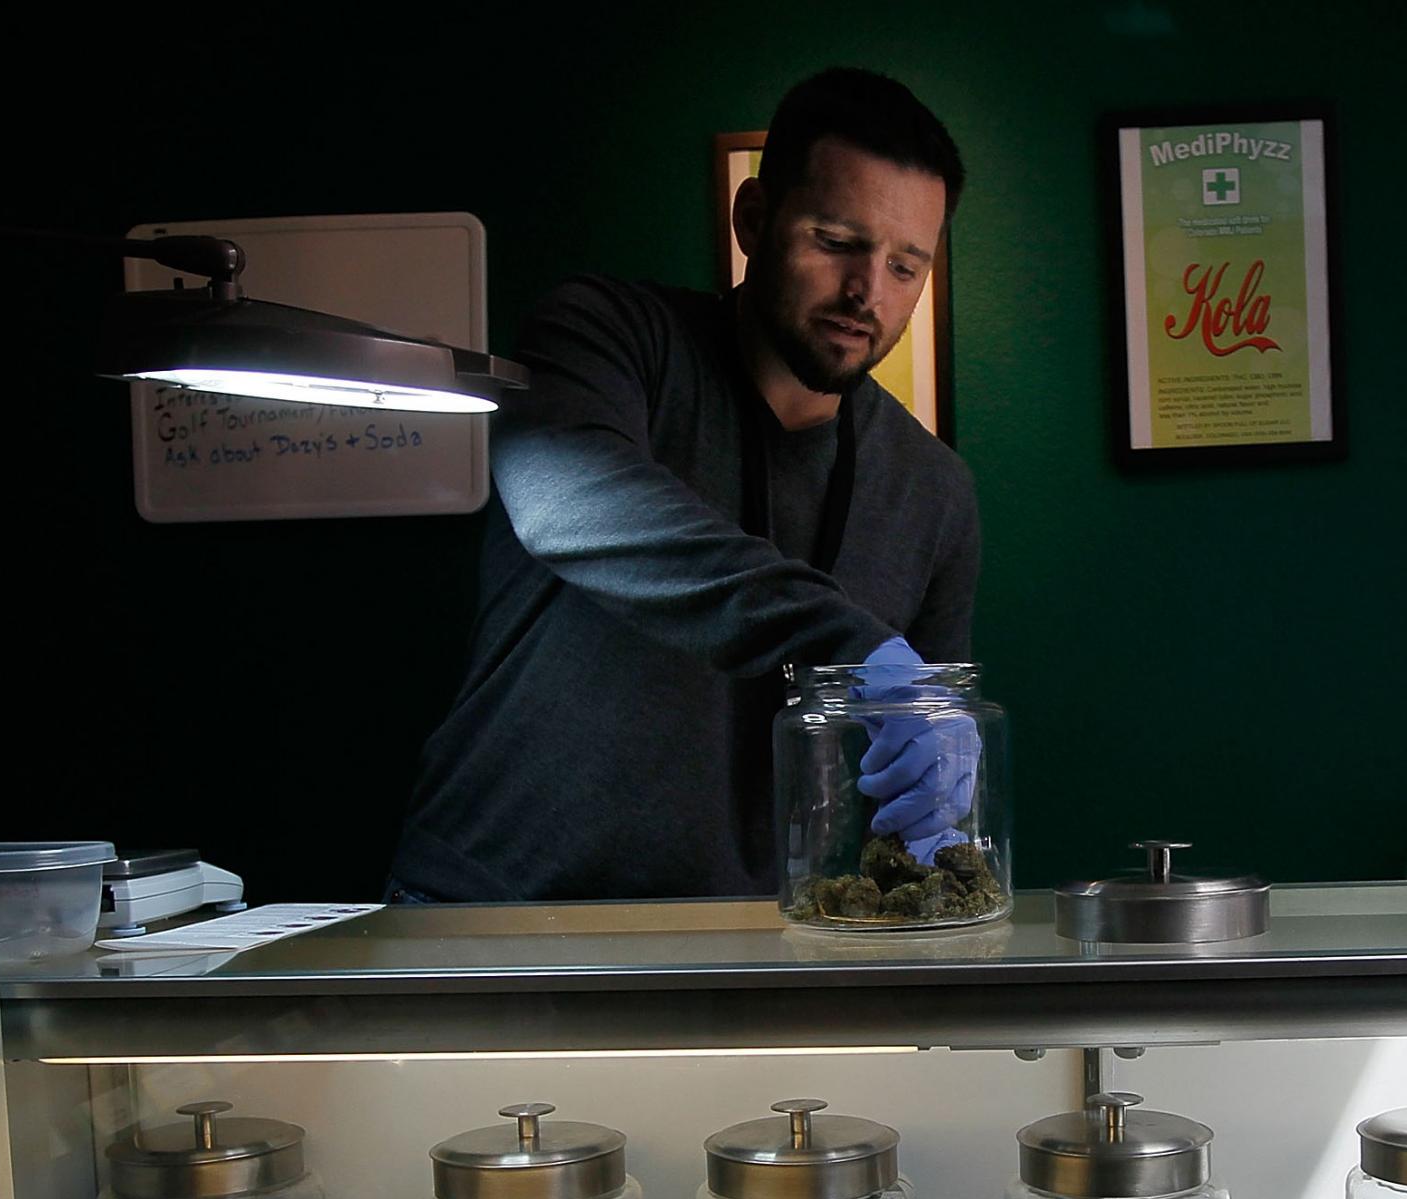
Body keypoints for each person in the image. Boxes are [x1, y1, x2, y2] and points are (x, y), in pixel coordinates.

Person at [388, 68, 980, 902]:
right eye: (837, 241)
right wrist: (853, 644)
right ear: (753, 218)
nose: (866, 292)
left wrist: (936, 820)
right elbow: (569, 507)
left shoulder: (936, 491)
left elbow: (919, 766)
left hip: (751, 953)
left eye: (905, 266)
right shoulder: (605, 337)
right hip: (485, 920)